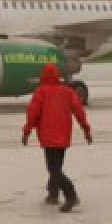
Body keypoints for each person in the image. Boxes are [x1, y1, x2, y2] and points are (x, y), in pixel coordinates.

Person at [21, 63, 92, 213]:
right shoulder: (68, 92)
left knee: (53, 169)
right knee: (56, 167)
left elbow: (33, 113)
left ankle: (71, 195)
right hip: (64, 136)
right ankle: (53, 194)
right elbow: (79, 111)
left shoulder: (41, 92)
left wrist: (26, 131)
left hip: (48, 136)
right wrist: (86, 129)